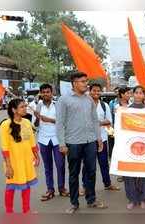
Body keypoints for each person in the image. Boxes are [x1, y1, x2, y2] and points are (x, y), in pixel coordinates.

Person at [56, 72, 106, 214]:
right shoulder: (64, 100)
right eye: (83, 81)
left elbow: (95, 120)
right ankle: (74, 203)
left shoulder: (89, 99)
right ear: (74, 83)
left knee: (91, 171)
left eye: (86, 81)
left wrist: (98, 138)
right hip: (73, 142)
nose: (86, 84)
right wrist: (62, 143)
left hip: (90, 141)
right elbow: (59, 123)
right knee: (74, 173)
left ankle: (91, 200)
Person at [0, 98, 40, 213]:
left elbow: (32, 142)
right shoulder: (5, 125)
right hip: (13, 162)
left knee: (26, 186)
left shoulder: (27, 122)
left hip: (27, 160)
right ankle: (9, 212)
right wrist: (8, 165)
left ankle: (26, 210)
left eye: (25, 106)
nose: (25, 108)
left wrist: (37, 156)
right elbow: (4, 147)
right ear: (14, 110)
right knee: (11, 187)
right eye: (22, 107)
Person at [34, 84, 69, 201]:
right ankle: (50, 190)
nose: (45, 94)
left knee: (60, 165)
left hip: (57, 139)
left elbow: (63, 122)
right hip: (43, 140)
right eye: (43, 92)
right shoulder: (37, 106)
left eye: (48, 92)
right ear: (40, 93)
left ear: (52, 92)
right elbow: (35, 126)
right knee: (48, 167)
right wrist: (38, 118)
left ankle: (62, 188)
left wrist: (49, 119)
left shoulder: (57, 105)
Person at [82, 83, 120, 191]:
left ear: (100, 92)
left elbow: (109, 121)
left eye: (98, 91)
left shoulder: (104, 105)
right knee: (88, 164)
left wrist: (97, 123)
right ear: (89, 91)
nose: (96, 93)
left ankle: (107, 184)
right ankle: (85, 186)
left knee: (104, 163)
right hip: (88, 139)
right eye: (94, 90)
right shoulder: (84, 105)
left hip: (102, 139)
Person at [124, 85, 145, 210]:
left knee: (144, 172)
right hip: (130, 146)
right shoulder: (126, 110)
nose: (139, 95)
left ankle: (143, 198)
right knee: (129, 173)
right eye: (137, 92)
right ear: (132, 94)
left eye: (141, 93)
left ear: (144, 95)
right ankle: (132, 199)